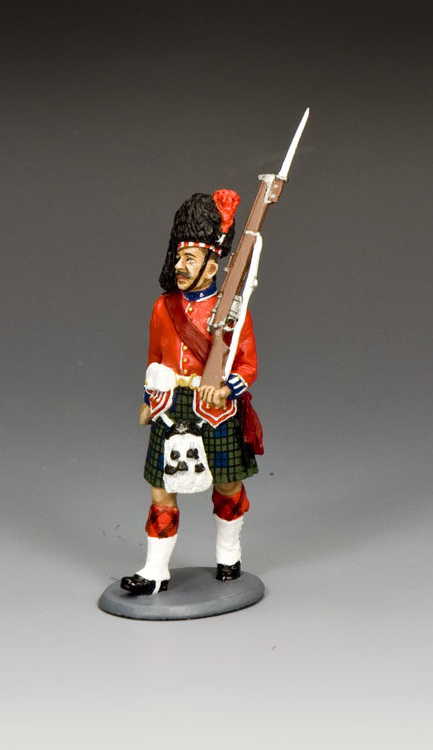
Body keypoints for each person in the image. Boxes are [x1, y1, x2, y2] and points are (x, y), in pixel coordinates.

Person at [120, 190, 263, 595]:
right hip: (171, 405)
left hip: (215, 409)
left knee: (227, 485)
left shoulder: (234, 311)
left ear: (212, 265)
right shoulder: (162, 308)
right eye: (179, 258)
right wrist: (148, 400)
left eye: (190, 259)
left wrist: (227, 388)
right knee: (161, 488)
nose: (180, 266)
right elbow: (154, 357)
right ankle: (155, 570)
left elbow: (248, 366)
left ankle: (229, 556)